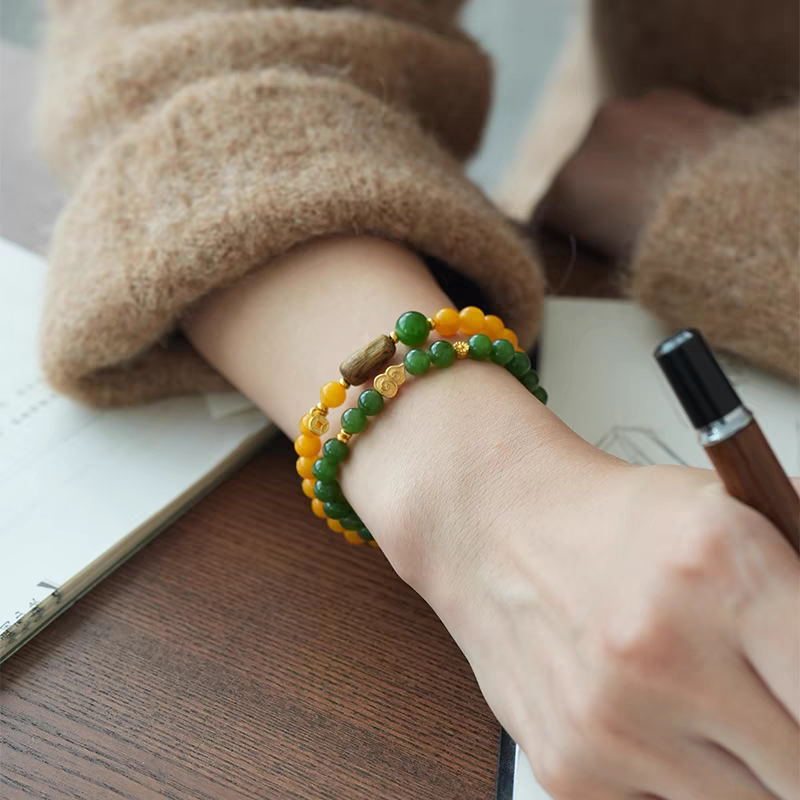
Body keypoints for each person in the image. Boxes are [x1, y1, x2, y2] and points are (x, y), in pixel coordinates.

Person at [37, 1, 799, 797]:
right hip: (593, 223)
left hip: (655, 178)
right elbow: (180, 71)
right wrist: (492, 504)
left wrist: (730, 192)